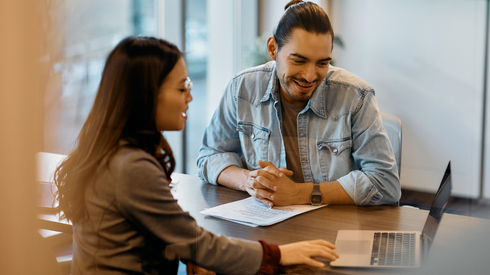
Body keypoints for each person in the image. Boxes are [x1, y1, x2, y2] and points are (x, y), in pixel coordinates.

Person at [53, 36, 338, 275]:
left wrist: (186, 249)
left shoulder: (112, 153)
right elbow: (198, 242)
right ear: (146, 95)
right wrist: (278, 254)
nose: (190, 96)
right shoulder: (131, 166)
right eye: (181, 88)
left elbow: (171, 233)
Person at [198, 0, 401, 208]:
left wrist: (301, 193)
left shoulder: (356, 96)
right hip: (267, 227)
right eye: (299, 60)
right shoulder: (242, 89)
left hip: (332, 227)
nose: (310, 76)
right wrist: (249, 181)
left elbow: (385, 183)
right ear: (272, 48)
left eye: (322, 63)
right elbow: (210, 156)